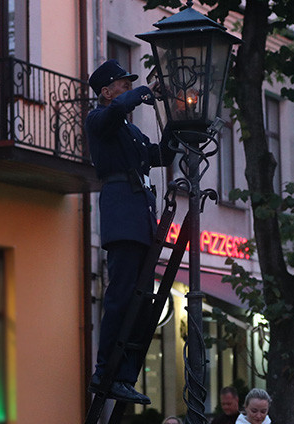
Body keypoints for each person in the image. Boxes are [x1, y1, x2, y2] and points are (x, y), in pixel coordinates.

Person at [85, 59, 171, 404]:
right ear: (106, 92)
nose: (126, 88)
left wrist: (180, 121)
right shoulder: (99, 119)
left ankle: (124, 375)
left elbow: (161, 154)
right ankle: (105, 371)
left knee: (142, 303)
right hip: (123, 218)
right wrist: (145, 91)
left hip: (141, 219)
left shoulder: (131, 133)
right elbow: (120, 107)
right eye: (122, 83)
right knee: (120, 297)